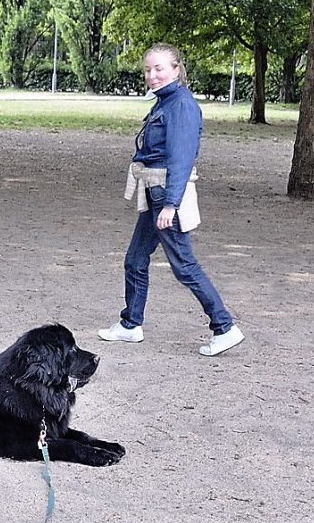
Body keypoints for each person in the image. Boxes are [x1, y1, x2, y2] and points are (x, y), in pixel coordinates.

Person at [98, 43, 244, 357]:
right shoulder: (165, 102)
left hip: (166, 194)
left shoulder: (181, 105)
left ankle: (224, 326)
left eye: (159, 68)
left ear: (176, 69)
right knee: (135, 260)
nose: (152, 75)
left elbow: (180, 159)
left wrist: (170, 205)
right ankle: (130, 325)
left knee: (184, 266)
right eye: (148, 70)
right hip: (155, 192)